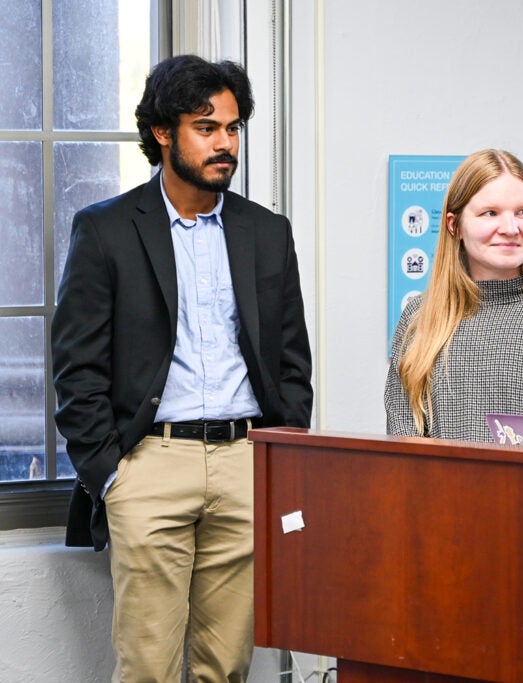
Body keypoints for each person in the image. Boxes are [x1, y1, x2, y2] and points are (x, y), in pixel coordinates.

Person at [52, 55, 313, 682]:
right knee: (148, 667)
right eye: (206, 127)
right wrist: (113, 475)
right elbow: (76, 366)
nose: (225, 143)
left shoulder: (267, 232)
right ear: (163, 133)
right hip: (150, 465)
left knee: (226, 667)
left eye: (233, 127)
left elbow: (291, 360)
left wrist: (282, 454)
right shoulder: (106, 230)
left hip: (245, 462)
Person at [385, 149, 523, 440]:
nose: (511, 228)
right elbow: (404, 447)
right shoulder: (419, 319)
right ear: (454, 225)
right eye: (491, 213)